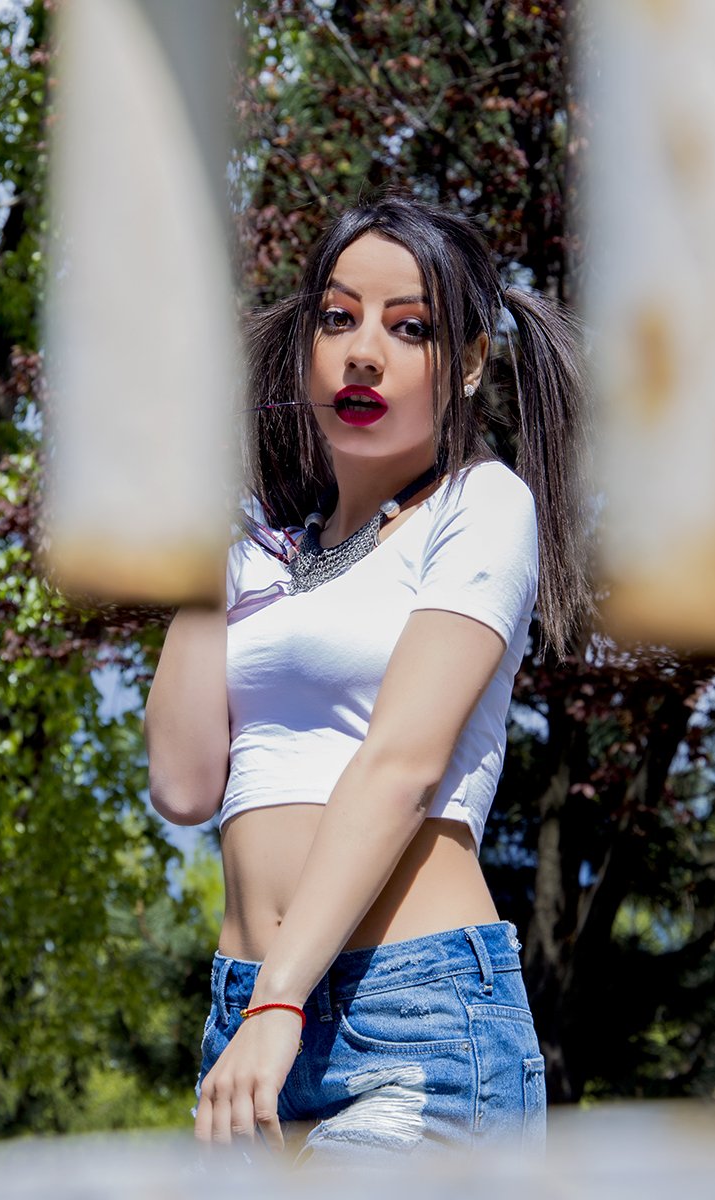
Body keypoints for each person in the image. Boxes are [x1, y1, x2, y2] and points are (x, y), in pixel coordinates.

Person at [143, 194, 588, 1164]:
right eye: (338, 319)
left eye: (410, 327)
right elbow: (183, 785)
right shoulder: (256, 553)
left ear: (469, 362)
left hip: (411, 1017)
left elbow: (400, 766)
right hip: (247, 1019)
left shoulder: (480, 506)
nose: (363, 354)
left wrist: (280, 999)